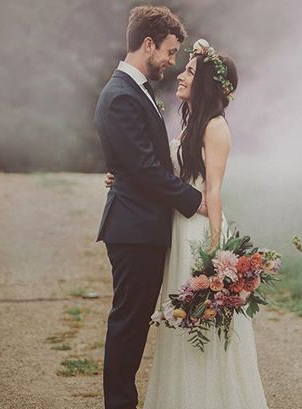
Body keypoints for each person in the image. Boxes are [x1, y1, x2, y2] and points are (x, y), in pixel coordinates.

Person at [103, 37, 269, 408]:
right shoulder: (193, 122)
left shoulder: (215, 127)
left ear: (206, 83)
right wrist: (121, 176)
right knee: (183, 325)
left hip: (198, 232)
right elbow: (157, 169)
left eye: (190, 71)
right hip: (180, 229)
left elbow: (213, 191)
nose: (181, 74)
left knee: (202, 324)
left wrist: (214, 257)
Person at [94, 6, 207, 409]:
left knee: (133, 321)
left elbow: (140, 161)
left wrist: (121, 172)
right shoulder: (121, 95)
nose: (171, 61)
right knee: (127, 323)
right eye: (170, 51)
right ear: (148, 44)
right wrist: (197, 202)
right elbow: (143, 167)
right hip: (133, 229)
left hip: (142, 225)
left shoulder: (137, 90)